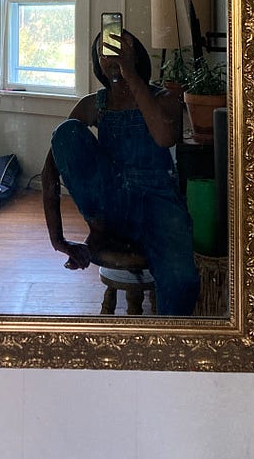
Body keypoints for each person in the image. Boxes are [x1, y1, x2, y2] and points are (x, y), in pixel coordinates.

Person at [41, 28, 200, 316]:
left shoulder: (165, 99)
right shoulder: (93, 105)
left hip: (160, 206)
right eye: (104, 51)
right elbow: (50, 171)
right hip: (112, 208)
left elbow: (165, 137)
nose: (112, 56)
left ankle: (171, 347)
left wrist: (131, 74)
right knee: (66, 132)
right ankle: (100, 230)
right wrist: (58, 241)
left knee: (181, 281)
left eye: (120, 48)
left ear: (135, 53)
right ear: (96, 62)